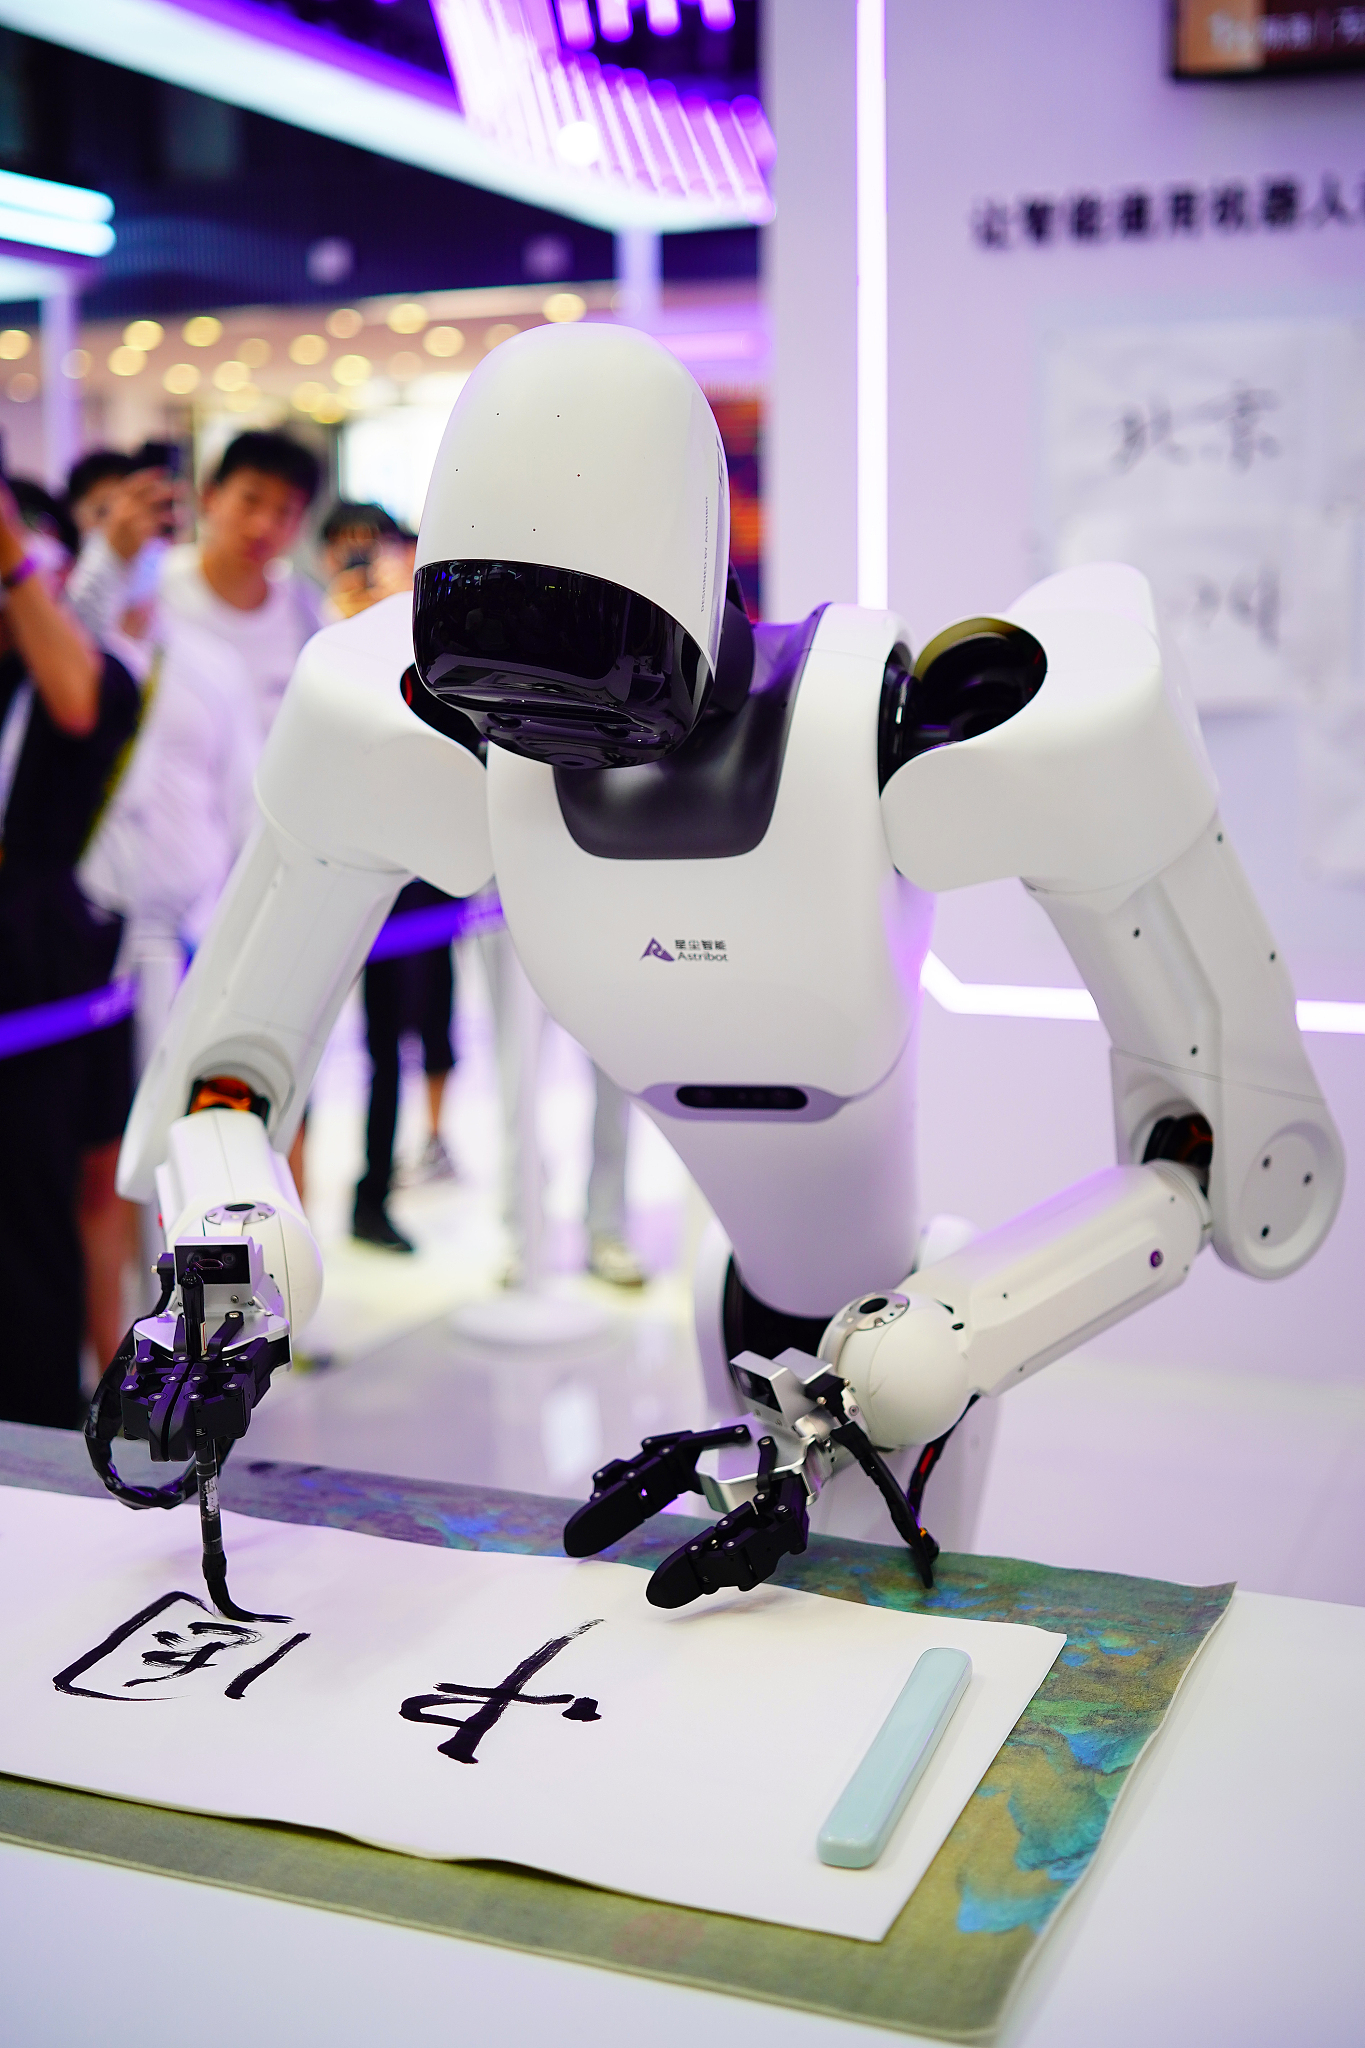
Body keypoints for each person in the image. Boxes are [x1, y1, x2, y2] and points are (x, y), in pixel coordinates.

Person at [0, 480, 140, 1427]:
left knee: (34, 1226)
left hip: (45, 984)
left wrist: (14, 557)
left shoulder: (92, 679)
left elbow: (81, 703)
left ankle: (43, 1435)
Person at [159, 431, 322, 748]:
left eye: (284, 512)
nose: (262, 526)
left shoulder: (305, 609)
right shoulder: (159, 590)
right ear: (210, 496)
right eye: (250, 501)